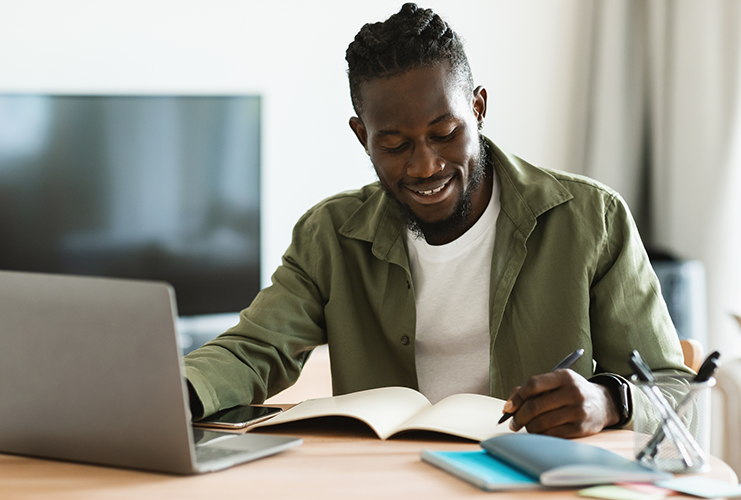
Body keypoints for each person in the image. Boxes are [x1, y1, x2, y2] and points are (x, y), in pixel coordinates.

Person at [184, 3, 690, 438]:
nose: (424, 166)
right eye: (395, 145)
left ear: (478, 107)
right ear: (363, 136)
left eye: (445, 132)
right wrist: (173, 392)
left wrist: (608, 402)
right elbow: (254, 350)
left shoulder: (590, 219)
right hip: (390, 481)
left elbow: (671, 388)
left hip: (533, 480)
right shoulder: (329, 235)